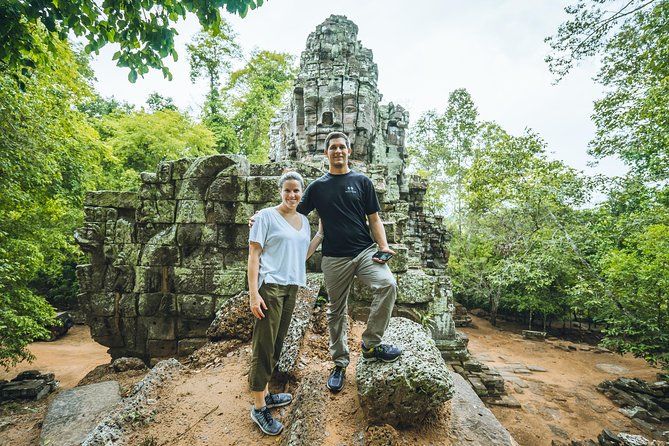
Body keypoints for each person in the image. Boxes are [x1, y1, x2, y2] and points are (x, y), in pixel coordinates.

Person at [297, 131, 401, 393]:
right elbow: (293, 214)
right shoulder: (317, 187)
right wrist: (263, 218)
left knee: (388, 285)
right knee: (336, 311)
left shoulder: (362, 182)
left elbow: (374, 219)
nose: (338, 151)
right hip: (334, 258)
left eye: (342, 147)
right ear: (326, 153)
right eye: (333, 148)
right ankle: (340, 363)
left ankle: (371, 345)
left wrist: (384, 246)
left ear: (349, 151)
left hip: (365, 251)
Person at [247, 171, 323, 436]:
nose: (292, 195)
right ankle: (258, 408)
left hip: (292, 286)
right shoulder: (265, 216)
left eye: (296, 191)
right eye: (287, 190)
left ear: (302, 194)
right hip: (270, 287)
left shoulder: (304, 220)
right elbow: (254, 255)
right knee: (264, 345)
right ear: (280, 191)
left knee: (277, 343)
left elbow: (301, 255)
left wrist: (320, 234)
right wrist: (253, 294)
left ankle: (265, 395)